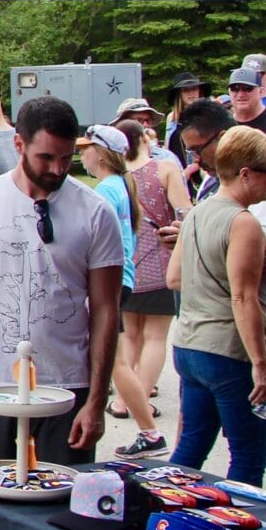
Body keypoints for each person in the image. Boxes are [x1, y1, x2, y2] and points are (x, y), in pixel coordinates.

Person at [0, 98, 123, 466]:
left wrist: (96, 400)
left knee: (62, 492)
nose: (57, 169)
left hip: (66, 387)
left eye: (67, 158)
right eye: (46, 157)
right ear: (19, 144)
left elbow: (106, 309)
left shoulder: (96, 212)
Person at [166, 128, 266, 484]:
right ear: (245, 173)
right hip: (230, 352)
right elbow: (243, 296)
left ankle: (159, 511)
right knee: (248, 456)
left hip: (190, 345)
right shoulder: (242, 222)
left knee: (190, 449)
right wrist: (261, 365)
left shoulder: (198, 212)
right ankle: (237, 519)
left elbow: (175, 277)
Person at [78, 124, 162, 458]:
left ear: (100, 154)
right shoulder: (119, 185)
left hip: (110, 281)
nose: (82, 155)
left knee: (115, 362)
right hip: (122, 280)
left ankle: (150, 433)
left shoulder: (105, 190)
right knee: (115, 359)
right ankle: (149, 432)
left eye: (86, 148)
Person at [111, 117, 189, 455]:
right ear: (144, 138)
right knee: (156, 336)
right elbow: (185, 213)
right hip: (161, 260)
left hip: (128, 264)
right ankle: (142, 399)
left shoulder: (119, 177)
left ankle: (122, 401)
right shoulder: (165, 169)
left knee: (129, 336)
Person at [227, 66, 266, 138]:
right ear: (229, 92)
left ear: (261, 92)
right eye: (235, 89)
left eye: (248, 89)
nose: (241, 95)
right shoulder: (223, 124)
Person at [165, 72, 208, 165]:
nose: (191, 93)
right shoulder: (172, 118)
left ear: (199, 90)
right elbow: (167, 148)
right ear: (179, 94)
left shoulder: (207, 114)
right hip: (177, 166)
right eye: (185, 90)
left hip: (202, 167)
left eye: (194, 88)